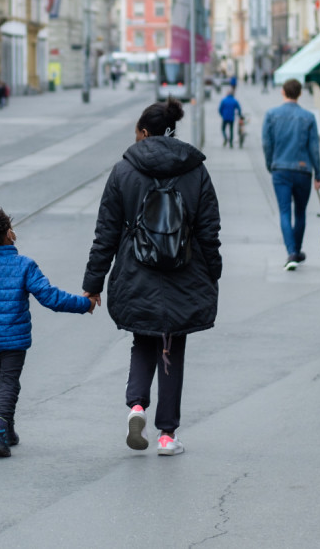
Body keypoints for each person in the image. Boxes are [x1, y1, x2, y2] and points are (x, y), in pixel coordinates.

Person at [83, 98, 221, 457]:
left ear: (144, 133)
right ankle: (166, 435)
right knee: (173, 346)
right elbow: (209, 230)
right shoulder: (195, 170)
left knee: (143, 339)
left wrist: (93, 284)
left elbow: (106, 233)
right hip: (184, 270)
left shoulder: (124, 171)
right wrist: (213, 273)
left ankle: (137, 407)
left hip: (136, 271)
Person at [0, 205, 94, 457]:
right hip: (15, 340)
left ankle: (8, 430)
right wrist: (84, 304)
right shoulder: (24, 265)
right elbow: (50, 297)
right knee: (8, 383)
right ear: (8, 234)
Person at [262, 78, 320, 271]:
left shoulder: (271, 115)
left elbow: (266, 143)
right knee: (300, 213)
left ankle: (291, 252)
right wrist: (318, 174)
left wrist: (271, 163)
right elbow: (314, 148)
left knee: (284, 212)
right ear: (300, 94)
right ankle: (296, 250)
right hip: (303, 170)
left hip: (280, 169)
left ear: (283, 92)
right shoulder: (308, 117)